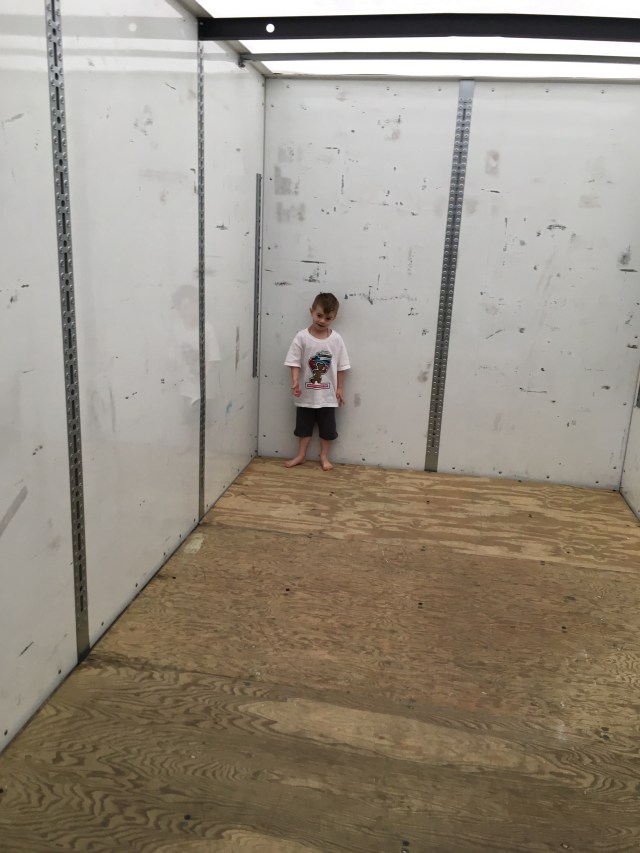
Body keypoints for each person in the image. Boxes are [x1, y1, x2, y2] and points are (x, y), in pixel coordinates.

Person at [284, 292, 350, 471]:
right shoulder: (302, 337)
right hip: (305, 395)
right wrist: (295, 380)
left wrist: (340, 388)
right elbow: (293, 361)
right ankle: (301, 455)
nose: (322, 321)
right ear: (311, 311)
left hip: (328, 396)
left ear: (334, 318)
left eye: (327, 318)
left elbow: (341, 366)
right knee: (303, 428)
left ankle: (324, 456)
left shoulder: (336, 339)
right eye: (319, 315)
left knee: (327, 430)